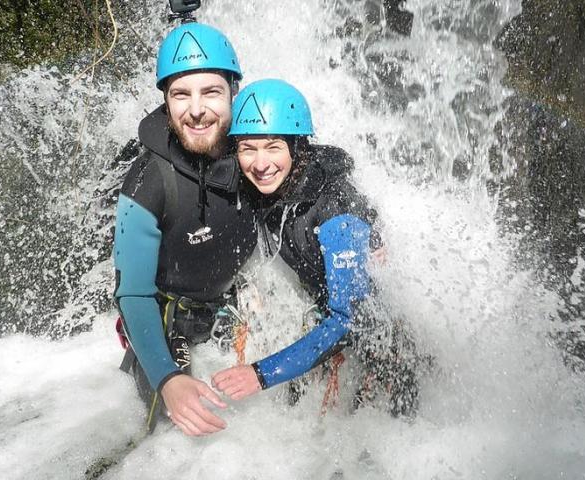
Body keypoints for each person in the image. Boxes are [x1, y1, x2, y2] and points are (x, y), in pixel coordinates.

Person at [211, 79, 418, 417]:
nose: (260, 164)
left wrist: (260, 374)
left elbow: (346, 318)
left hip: (378, 341)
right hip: (324, 324)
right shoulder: (263, 185)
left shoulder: (336, 212)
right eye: (248, 148)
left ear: (297, 147)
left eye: (273, 146)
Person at [112, 22, 257, 437]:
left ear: (234, 91)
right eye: (181, 94)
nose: (196, 110)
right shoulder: (147, 183)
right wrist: (167, 379)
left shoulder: (255, 151)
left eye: (210, 92)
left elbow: (318, 171)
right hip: (166, 323)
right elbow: (132, 293)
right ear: (165, 100)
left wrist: (366, 220)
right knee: (170, 438)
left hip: (235, 309)